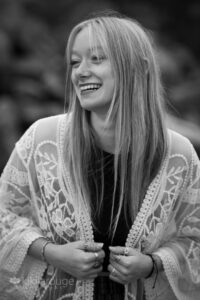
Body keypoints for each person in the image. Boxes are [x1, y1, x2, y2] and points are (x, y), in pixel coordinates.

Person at [0, 12, 200, 300]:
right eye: (75, 62)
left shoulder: (178, 154)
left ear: (139, 67)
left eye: (96, 59)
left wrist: (151, 264)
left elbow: (194, 238)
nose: (80, 72)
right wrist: (52, 253)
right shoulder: (41, 140)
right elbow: (4, 214)